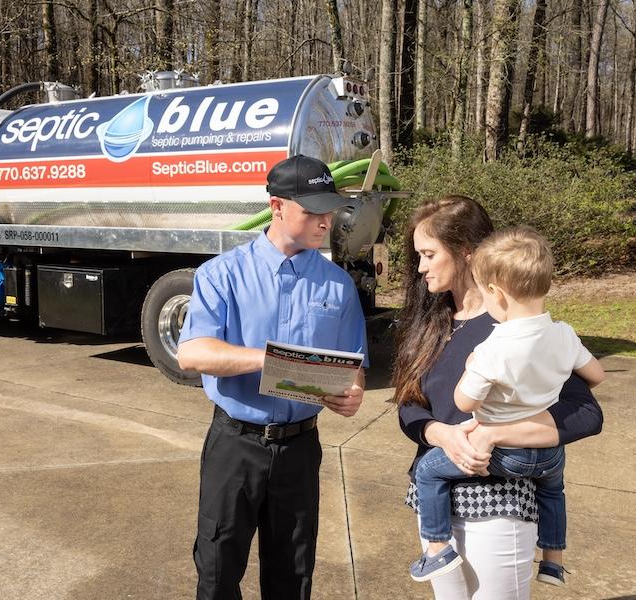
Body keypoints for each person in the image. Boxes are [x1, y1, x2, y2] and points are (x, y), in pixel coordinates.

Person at [176, 154, 368, 600]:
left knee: (293, 571)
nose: (326, 221)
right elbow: (192, 352)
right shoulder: (221, 275)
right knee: (218, 567)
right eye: (313, 210)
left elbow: (352, 364)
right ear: (277, 206)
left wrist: (352, 392)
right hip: (236, 445)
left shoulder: (337, 285)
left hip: (301, 449)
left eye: (330, 209)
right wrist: (269, 358)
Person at [394, 195, 604, 600]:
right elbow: (409, 405)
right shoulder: (429, 323)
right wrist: (441, 434)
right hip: (435, 498)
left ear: (466, 253)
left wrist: (494, 434)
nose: (420, 267)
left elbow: (584, 413)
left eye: (428, 254)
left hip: (497, 503)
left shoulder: (515, 329)